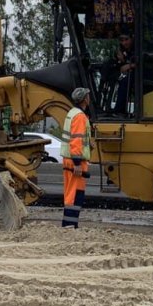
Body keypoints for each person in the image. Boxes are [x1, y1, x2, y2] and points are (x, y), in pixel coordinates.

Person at [60, 87, 92, 228]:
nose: (89, 98)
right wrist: (77, 163)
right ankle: (69, 225)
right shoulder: (79, 116)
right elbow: (76, 140)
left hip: (70, 160)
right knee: (74, 195)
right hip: (75, 162)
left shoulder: (72, 113)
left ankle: (69, 224)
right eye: (88, 96)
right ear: (84, 99)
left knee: (72, 194)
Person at [112, 33, 136, 116]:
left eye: (126, 39)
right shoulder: (122, 50)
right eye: (122, 40)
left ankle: (119, 110)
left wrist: (130, 65)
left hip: (140, 76)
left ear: (132, 38)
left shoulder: (138, 48)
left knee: (125, 82)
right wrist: (121, 60)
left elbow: (143, 61)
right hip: (128, 75)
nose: (124, 43)